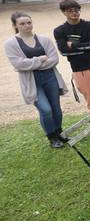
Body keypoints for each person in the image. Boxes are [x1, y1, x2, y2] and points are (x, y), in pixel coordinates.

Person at [4, 12, 68, 148]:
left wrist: (31, 64)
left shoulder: (44, 39)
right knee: (46, 110)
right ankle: (52, 137)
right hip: (32, 81)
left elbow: (54, 59)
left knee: (56, 109)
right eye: (22, 23)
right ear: (15, 25)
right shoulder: (11, 43)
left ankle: (59, 132)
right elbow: (18, 64)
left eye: (29, 22)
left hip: (50, 77)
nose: (27, 25)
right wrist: (39, 59)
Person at [52, 0, 90, 118]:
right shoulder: (59, 31)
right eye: (70, 11)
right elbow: (63, 51)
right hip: (79, 70)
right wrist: (85, 48)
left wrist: (73, 46)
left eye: (77, 10)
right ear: (64, 12)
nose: (75, 13)